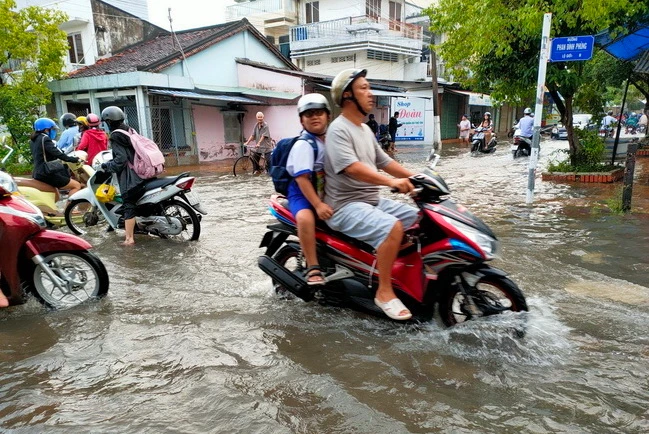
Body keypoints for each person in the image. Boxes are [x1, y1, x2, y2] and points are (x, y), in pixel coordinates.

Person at [324, 68, 418, 321]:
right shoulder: (338, 130)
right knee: (393, 228)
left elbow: (385, 161)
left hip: (370, 202)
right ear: (347, 96)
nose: (370, 93)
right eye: (363, 88)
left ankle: (406, 277)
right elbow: (354, 169)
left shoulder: (365, 129)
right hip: (344, 207)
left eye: (369, 87)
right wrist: (392, 182)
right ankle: (384, 292)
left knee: (422, 219)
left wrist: (418, 178)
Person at [285, 93, 334, 285]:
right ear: (301, 120)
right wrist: (318, 205)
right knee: (305, 218)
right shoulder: (304, 145)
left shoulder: (330, 140)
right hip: (301, 192)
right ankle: (313, 266)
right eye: (309, 114)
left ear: (328, 116)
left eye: (319, 113)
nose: (314, 117)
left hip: (324, 191)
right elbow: (302, 179)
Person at [100, 106, 147, 246]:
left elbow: (121, 160)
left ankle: (129, 239)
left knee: (128, 204)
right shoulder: (129, 130)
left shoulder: (115, 135)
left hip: (130, 175)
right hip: (142, 170)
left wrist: (107, 166)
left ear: (108, 121)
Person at [30, 117, 82, 198]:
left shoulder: (34, 139)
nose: (54, 131)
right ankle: (70, 209)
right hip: (47, 173)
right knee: (76, 185)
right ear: (46, 129)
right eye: (53, 129)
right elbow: (57, 153)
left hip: (38, 172)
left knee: (56, 194)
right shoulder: (45, 138)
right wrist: (73, 159)